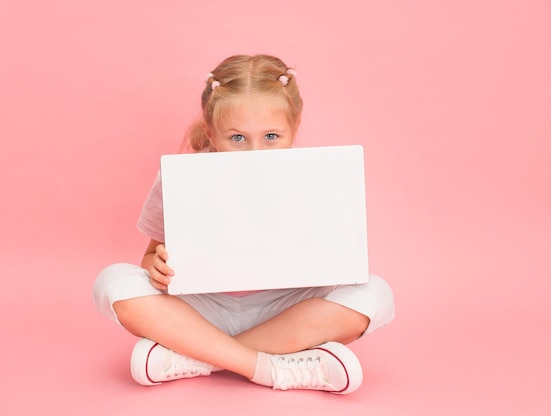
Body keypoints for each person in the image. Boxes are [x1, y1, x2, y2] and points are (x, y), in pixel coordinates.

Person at [93, 54, 395, 394]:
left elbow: (337, 260)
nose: (256, 152)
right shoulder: (181, 178)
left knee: (375, 294)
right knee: (113, 282)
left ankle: (195, 356)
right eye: (237, 138)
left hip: (289, 308)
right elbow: (150, 257)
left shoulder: (316, 176)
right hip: (203, 308)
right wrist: (157, 266)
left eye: (271, 136)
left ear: (293, 129)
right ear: (211, 131)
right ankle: (270, 367)